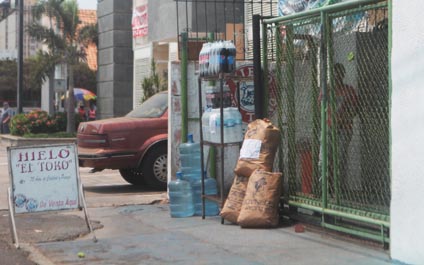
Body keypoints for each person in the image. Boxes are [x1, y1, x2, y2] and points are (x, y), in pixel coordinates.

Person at [319, 63, 358, 195]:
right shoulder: (327, 90)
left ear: (343, 75)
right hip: (329, 128)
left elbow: (354, 110)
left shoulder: (349, 90)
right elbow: (321, 108)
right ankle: (325, 191)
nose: (336, 76)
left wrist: (342, 119)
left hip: (344, 129)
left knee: (339, 159)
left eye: (339, 73)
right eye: (334, 73)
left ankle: (338, 191)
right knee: (324, 159)